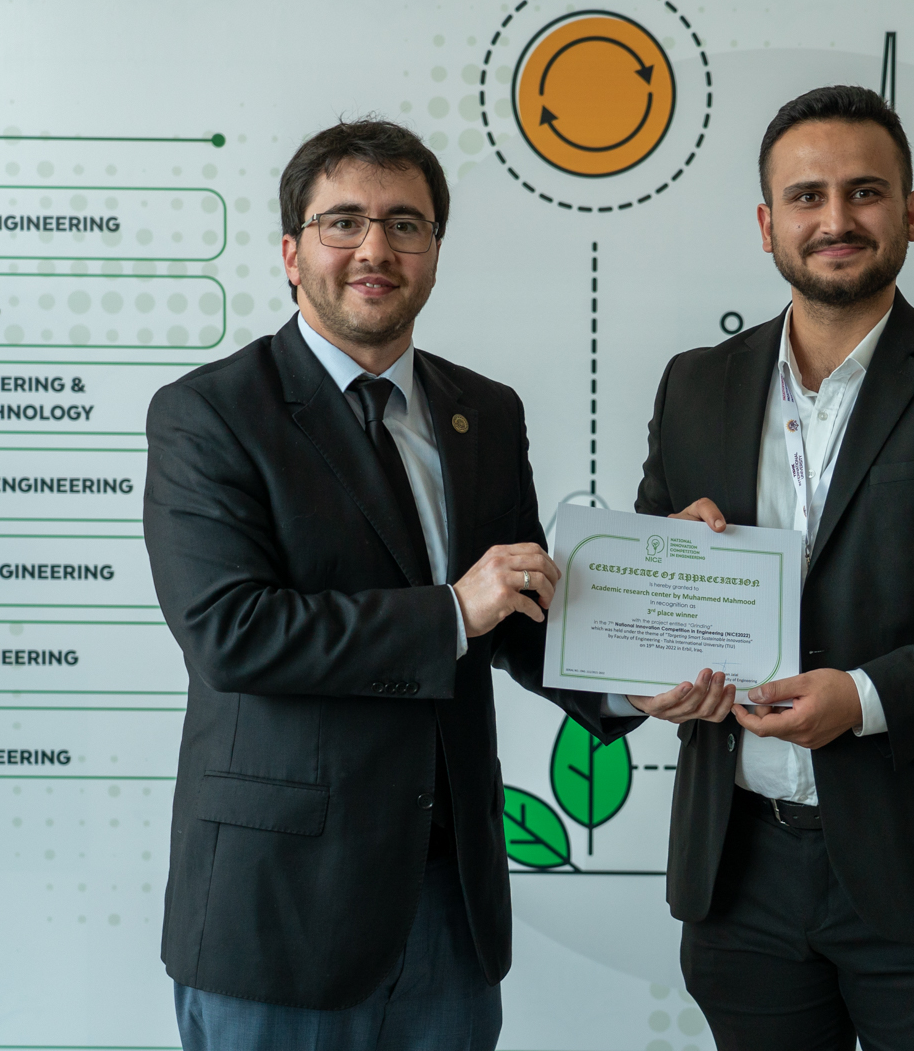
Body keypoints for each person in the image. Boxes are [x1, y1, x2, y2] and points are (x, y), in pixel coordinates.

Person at [143, 118, 640, 1051]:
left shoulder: (483, 411)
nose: (375, 248)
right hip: (280, 907)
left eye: (404, 224)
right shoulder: (209, 414)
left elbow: (515, 611)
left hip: (447, 898)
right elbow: (231, 633)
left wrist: (636, 678)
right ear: (291, 254)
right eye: (344, 222)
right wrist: (451, 611)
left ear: (434, 252)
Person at [626, 86, 914, 1049]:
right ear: (767, 225)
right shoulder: (693, 385)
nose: (835, 219)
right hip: (736, 868)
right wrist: (654, 639)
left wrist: (865, 698)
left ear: (910, 213)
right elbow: (645, 587)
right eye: (806, 196)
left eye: (864, 192)